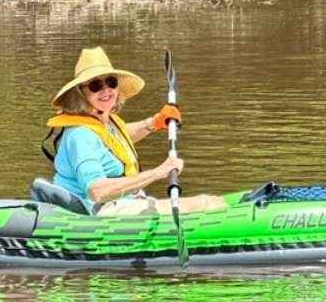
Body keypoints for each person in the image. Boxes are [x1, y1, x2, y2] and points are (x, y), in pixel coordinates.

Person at [45, 46, 227, 216]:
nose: (106, 90)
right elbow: (97, 191)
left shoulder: (104, 123)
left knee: (215, 201)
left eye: (111, 82)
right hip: (102, 211)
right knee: (208, 204)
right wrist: (158, 172)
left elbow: (116, 140)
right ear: (80, 92)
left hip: (124, 202)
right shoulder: (81, 135)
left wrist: (154, 122)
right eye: (95, 85)